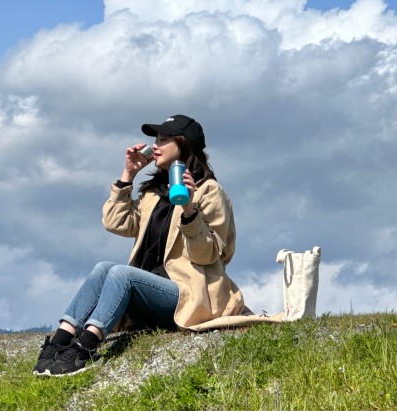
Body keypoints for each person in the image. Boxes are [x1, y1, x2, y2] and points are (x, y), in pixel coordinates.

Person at [33, 114, 248, 376]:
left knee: (122, 273)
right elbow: (115, 222)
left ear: (184, 144)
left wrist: (189, 209)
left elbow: (209, 255)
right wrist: (127, 176)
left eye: (164, 139)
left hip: (188, 297)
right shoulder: (152, 192)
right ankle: (58, 344)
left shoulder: (210, 191)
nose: (155, 145)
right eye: (155, 139)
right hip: (151, 296)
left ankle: (86, 347)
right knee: (104, 268)